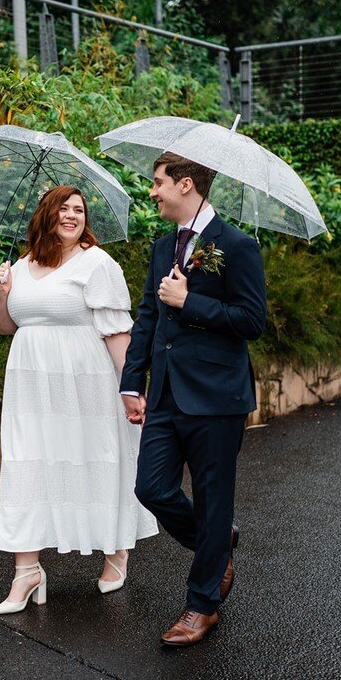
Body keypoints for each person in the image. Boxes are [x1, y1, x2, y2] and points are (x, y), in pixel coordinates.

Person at [0, 185, 158, 615]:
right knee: (27, 466)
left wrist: (132, 388)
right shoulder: (22, 266)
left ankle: (117, 550)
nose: (72, 216)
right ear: (46, 215)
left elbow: (118, 332)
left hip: (86, 384)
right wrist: (3, 293)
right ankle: (27, 572)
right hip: (30, 388)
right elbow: (6, 327)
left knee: (97, 459)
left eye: (79, 210)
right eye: (63, 209)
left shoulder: (97, 263)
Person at [120, 152, 266, 645]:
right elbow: (147, 315)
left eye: (158, 183)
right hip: (163, 393)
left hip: (216, 396)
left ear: (186, 185)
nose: (153, 191)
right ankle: (217, 542)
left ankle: (201, 606)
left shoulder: (238, 245)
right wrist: (131, 380)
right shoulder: (163, 247)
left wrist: (192, 302)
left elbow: (252, 320)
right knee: (151, 489)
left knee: (212, 495)